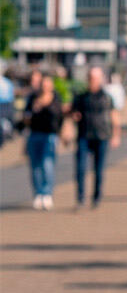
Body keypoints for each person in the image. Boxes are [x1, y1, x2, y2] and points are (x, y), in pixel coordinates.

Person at [68, 65, 120, 209]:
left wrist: (116, 135)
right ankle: (80, 198)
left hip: (102, 136)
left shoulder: (107, 97)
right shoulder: (81, 97)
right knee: (80, 168)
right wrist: (73, 116)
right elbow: (72, 113)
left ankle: (96, 196)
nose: (93, 81)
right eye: (91, 78)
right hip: (84, 135)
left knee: (98, 169)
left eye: (96, 78)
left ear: (101, 79)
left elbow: (114, 116)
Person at [23, 72, 63, 210]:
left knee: (47, 164)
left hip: (50, 136)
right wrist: (34, 109)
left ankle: (47, 193)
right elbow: (26, 118)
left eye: (48, 83)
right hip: (34, 134)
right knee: (35, 166)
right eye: (43, 83)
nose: (45, 86)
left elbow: (60, 117)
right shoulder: (33, 98)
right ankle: (38, 193)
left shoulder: (56, 98)